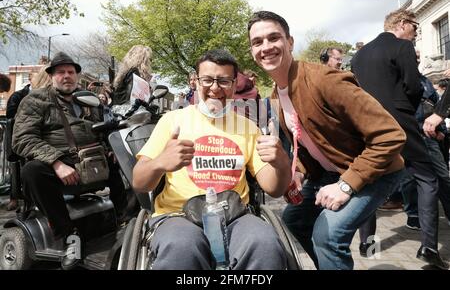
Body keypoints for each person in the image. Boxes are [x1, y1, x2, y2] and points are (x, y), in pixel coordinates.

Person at [247, 10, 406, 270]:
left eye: (273, 38)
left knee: (328, 235)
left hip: (376, 171)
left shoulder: (326, 80)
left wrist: (345, 186)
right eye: (257, 42)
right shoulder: (276, 95)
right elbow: (309, 142)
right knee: (294, 220)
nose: (266, 47)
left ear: (290, 42)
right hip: (329, 174)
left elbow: (390, 135)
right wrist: (298, 172)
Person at [132, 49, 291, 270]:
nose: (215, 88)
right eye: (207, 80)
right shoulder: (172, 121)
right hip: (178, 216)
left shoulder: (247, 127)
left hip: (236, 216)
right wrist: (160, 162)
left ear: (235, 85)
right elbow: (140, 183)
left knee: (265, 245)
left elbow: (273, 189)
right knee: (182, 248)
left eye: (224, 81)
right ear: (195, 82)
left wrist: (281, 161)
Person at [12, 52, 128, 270]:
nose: (66, 76)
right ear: (51, 76)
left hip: (92, 164)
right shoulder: (36, 100)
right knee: (31, 171)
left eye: (71, 72)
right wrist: (57, 162)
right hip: (58, 166)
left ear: (77, 75)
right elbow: (22, 139)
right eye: (61, 72)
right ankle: (68, 235)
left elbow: (101, 130)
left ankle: (126, 221)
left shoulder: (88, 99)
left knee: (124, 159)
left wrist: (110, 147)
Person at [352, 9, 448, 269]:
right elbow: (414, 86)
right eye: (415, 27)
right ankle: (428, 247)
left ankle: (366, 242)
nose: (415, 33)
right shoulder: (402, 46)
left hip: (367, 126)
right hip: (401, 124)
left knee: (371, 181)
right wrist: (408, 108)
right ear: (403, 24)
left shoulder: (359, 55)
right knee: (427, 179)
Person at [4, 66, 51, 211]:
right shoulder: (19, 96)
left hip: (42, 140)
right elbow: (10, 117)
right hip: (22, 139)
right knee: (17, 170)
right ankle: (15, 198)